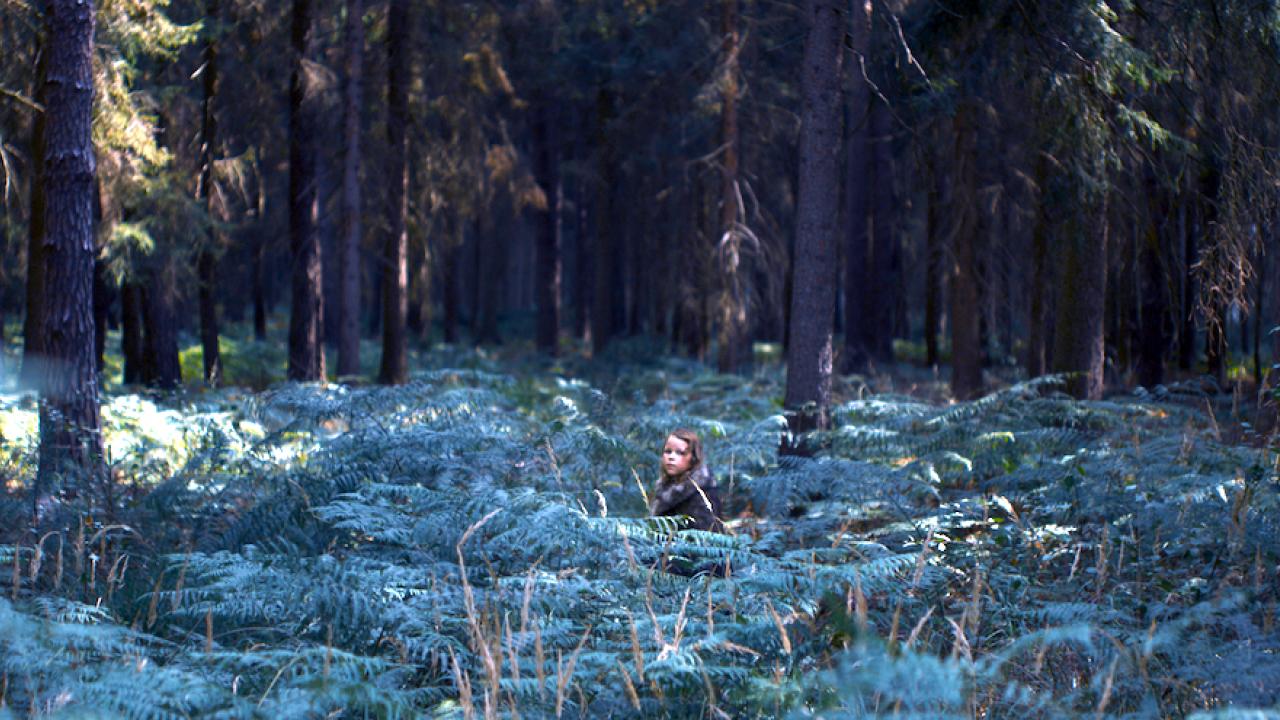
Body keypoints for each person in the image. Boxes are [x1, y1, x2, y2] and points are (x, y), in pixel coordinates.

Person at [649, 428, 725, 533]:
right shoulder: (663, 487)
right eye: (668, 451)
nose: (671, 457)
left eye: (680, 453)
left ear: (693, 458)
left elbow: (706, 539)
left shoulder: (703, 493)